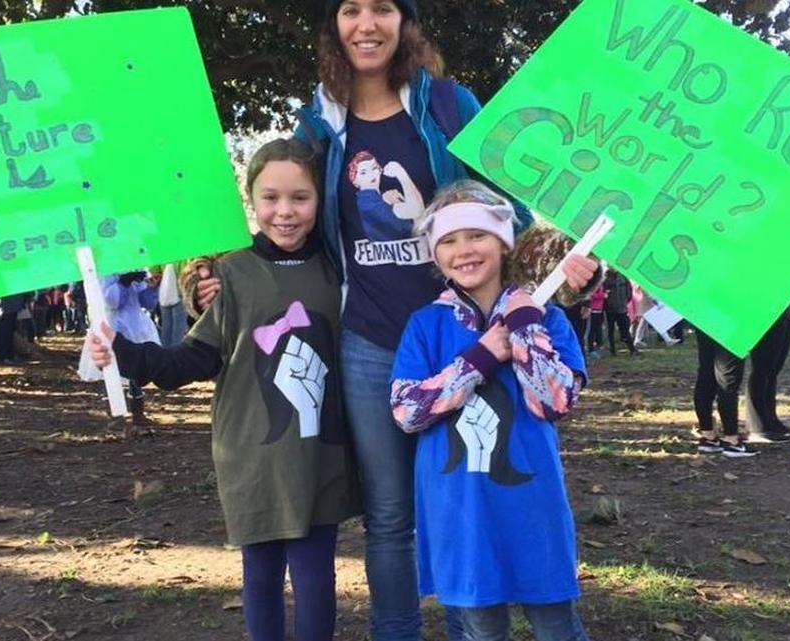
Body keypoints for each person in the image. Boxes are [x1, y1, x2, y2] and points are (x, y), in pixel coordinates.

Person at [194, 3, 597, 637]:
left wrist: (567, 272)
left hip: (466, 333)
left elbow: (507, 213)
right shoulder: (318, 124)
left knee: (478, 485)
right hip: (372, 343)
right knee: (388, 514)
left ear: (402, 22)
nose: (366, 23)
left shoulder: (449, 106)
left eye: (381, 7)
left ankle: (479, 619)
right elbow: (293, 217)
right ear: (334, 26)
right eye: (350, 10)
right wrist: (220, 276)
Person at [88, 139, 360, 641]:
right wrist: (123, 351)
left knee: (316, 576)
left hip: (322, 451)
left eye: (300, 197)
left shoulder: (339, 268)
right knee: (260, 575)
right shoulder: (232, 274)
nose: (285, 211)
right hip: (252, 453)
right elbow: (191, 360)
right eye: (270, 198)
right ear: (251, 201)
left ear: (320, 199)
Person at [390, 181, 591, 641]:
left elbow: (554, 400)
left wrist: (523, 325)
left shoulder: (548, 319)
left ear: (503, 242)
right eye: (448, 240)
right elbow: (406, 412)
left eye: (477, 235)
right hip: (459, 511)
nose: (464, 250)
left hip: (532, 506)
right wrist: (480, 356)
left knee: (557, 625)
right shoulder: (425, 325)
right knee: (481, 629)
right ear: (435, 254)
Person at [102, 271, 160, 427]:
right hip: (113, 326)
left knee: (136, 370)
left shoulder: (133, 265)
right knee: (112, 370)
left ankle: (138, 413)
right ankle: (116, 414)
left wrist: (152, 287)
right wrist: (124, 282)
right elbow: (111, 302)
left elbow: (147, 303)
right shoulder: (105, 272)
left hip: (136, 326)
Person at [693, 328, 755, 458]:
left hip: (704, 318)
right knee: (729, 378)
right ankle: (731, 439)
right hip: (733, 320)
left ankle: (708, 435)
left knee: (706, 374)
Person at [744, 306, 790, 443]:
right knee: (762, 369)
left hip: (786, 312)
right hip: (765, 312)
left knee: (772, 370)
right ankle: (757, 425)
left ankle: (771, 419)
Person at [602, 269, 637, 356]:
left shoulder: (623, 277)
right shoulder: (605, 278)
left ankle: (632, 349)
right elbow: (602, 293)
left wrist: (625, 302)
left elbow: (629, 291)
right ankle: (612, 351)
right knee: (610, 331)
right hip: (609, 309)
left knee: (625, 330)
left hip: (622, 308)